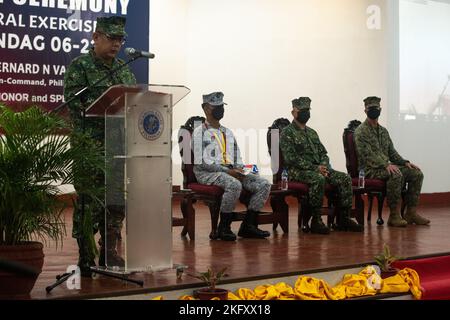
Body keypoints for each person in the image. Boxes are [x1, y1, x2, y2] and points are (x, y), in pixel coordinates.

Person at [64, 16, 137, 275]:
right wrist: (105, 108)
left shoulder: (124, 69)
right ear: (96, 37)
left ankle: (110, 251)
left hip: (118, 145)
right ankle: (85, 255)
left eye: (120, 39)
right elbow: (75, 104)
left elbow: (133, 102)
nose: (116, 44)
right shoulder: (80, 66)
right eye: (111, 38)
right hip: (90, 146)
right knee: (88, 201)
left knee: (116, 201)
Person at [192, 92, 271, 241]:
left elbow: (237, 155)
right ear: (206, 109)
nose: (220, 109)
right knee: (234, 184)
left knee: (263, 184)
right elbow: (202, 162)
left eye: (222, 106)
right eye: (216, 106)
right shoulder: (199, 132)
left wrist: (240, 169)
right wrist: (228, 171)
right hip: (208, 173)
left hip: (231, 170)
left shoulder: (227, 132)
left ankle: (248, 225)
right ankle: (224, 227)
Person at [280, 97, 363, 234]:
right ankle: (316, 220)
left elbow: (323, 153)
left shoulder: (312, 133)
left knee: (345, 178)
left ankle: (343, 218)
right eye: (302, 110)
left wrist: (324, 166)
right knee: (318, 179)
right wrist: (315, 168)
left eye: (308, 110)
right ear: (293, 112)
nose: (305, 113)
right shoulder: (287, 133)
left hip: (320, 169)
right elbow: (291, 159)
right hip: (297, 172)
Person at [354, 96, 430, 227]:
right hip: (368, 170)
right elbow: (366, 155)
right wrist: (385, 164)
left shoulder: (383, 131)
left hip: (384, 167)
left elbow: (392, 152)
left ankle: (411, 213)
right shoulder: (360, 131)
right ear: (365, 111)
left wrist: (405, 162)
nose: (374, 111)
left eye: (376, 108)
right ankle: (394, 215)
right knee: (395, 174)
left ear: (380, 110)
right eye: (371, 108)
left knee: (416, 174)